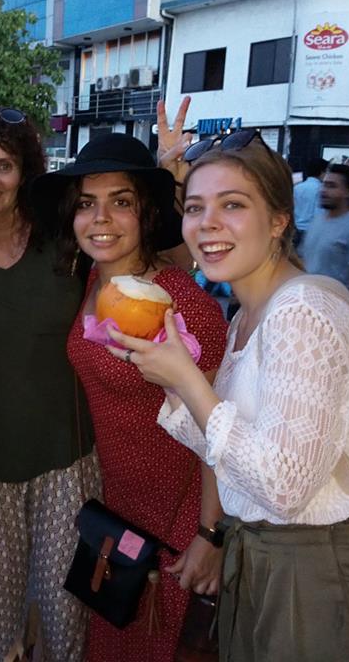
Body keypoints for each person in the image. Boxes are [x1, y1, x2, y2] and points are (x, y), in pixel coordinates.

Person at [110, 128, 349, 661]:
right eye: (194, 207)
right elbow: (226, 446)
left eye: (232, 205)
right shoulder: (245, 318)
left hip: (316, 572)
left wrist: (188, 380)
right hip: (259, 558)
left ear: (279, 220)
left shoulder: (302, 314)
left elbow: (284, 486)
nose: (207, 223)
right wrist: (171, 381)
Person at [30, 132, 228, 662]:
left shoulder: (182, 308)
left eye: (121, 203)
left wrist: (209, 536)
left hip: (177, 519)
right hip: (118, 511)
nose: (101, 219)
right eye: (86, 205)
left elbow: (219, 433)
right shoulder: (94, 278)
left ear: (145, 213)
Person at [0, 105, 101, 661]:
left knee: (67, 620)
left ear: (24, 169)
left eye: (3, 165)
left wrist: (171, 180)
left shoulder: (67, 242)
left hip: (68, 461)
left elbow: (149, 259)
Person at [301, 163, 349, 302]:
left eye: (331, 186)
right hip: (307, 300)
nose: (323, 190)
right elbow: (305, 261)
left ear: (348, 191)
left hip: (333, 306)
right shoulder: (317, 221)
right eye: (323, 185)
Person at [292, 156, 327, 245]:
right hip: (311, 231)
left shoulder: (297, 187)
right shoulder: (321, 189)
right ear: (322, 172)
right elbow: (319, 213)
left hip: (295, 230)